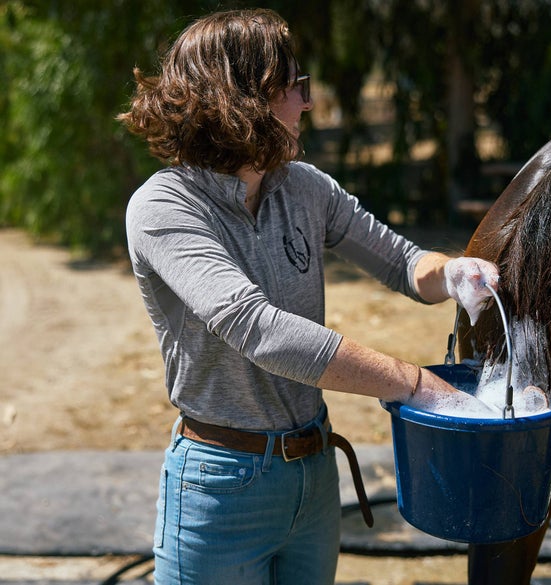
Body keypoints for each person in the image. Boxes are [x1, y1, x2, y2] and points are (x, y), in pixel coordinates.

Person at [118, 8, 498, 585]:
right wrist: (420, 387)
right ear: (243, 98)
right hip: (220, 488)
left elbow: (402, 261)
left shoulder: (305, 187)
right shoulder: (164, 207)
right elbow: (259, 330)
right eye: (295, 87)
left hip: (314, 475)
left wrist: (452, 274)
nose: (308, 102)